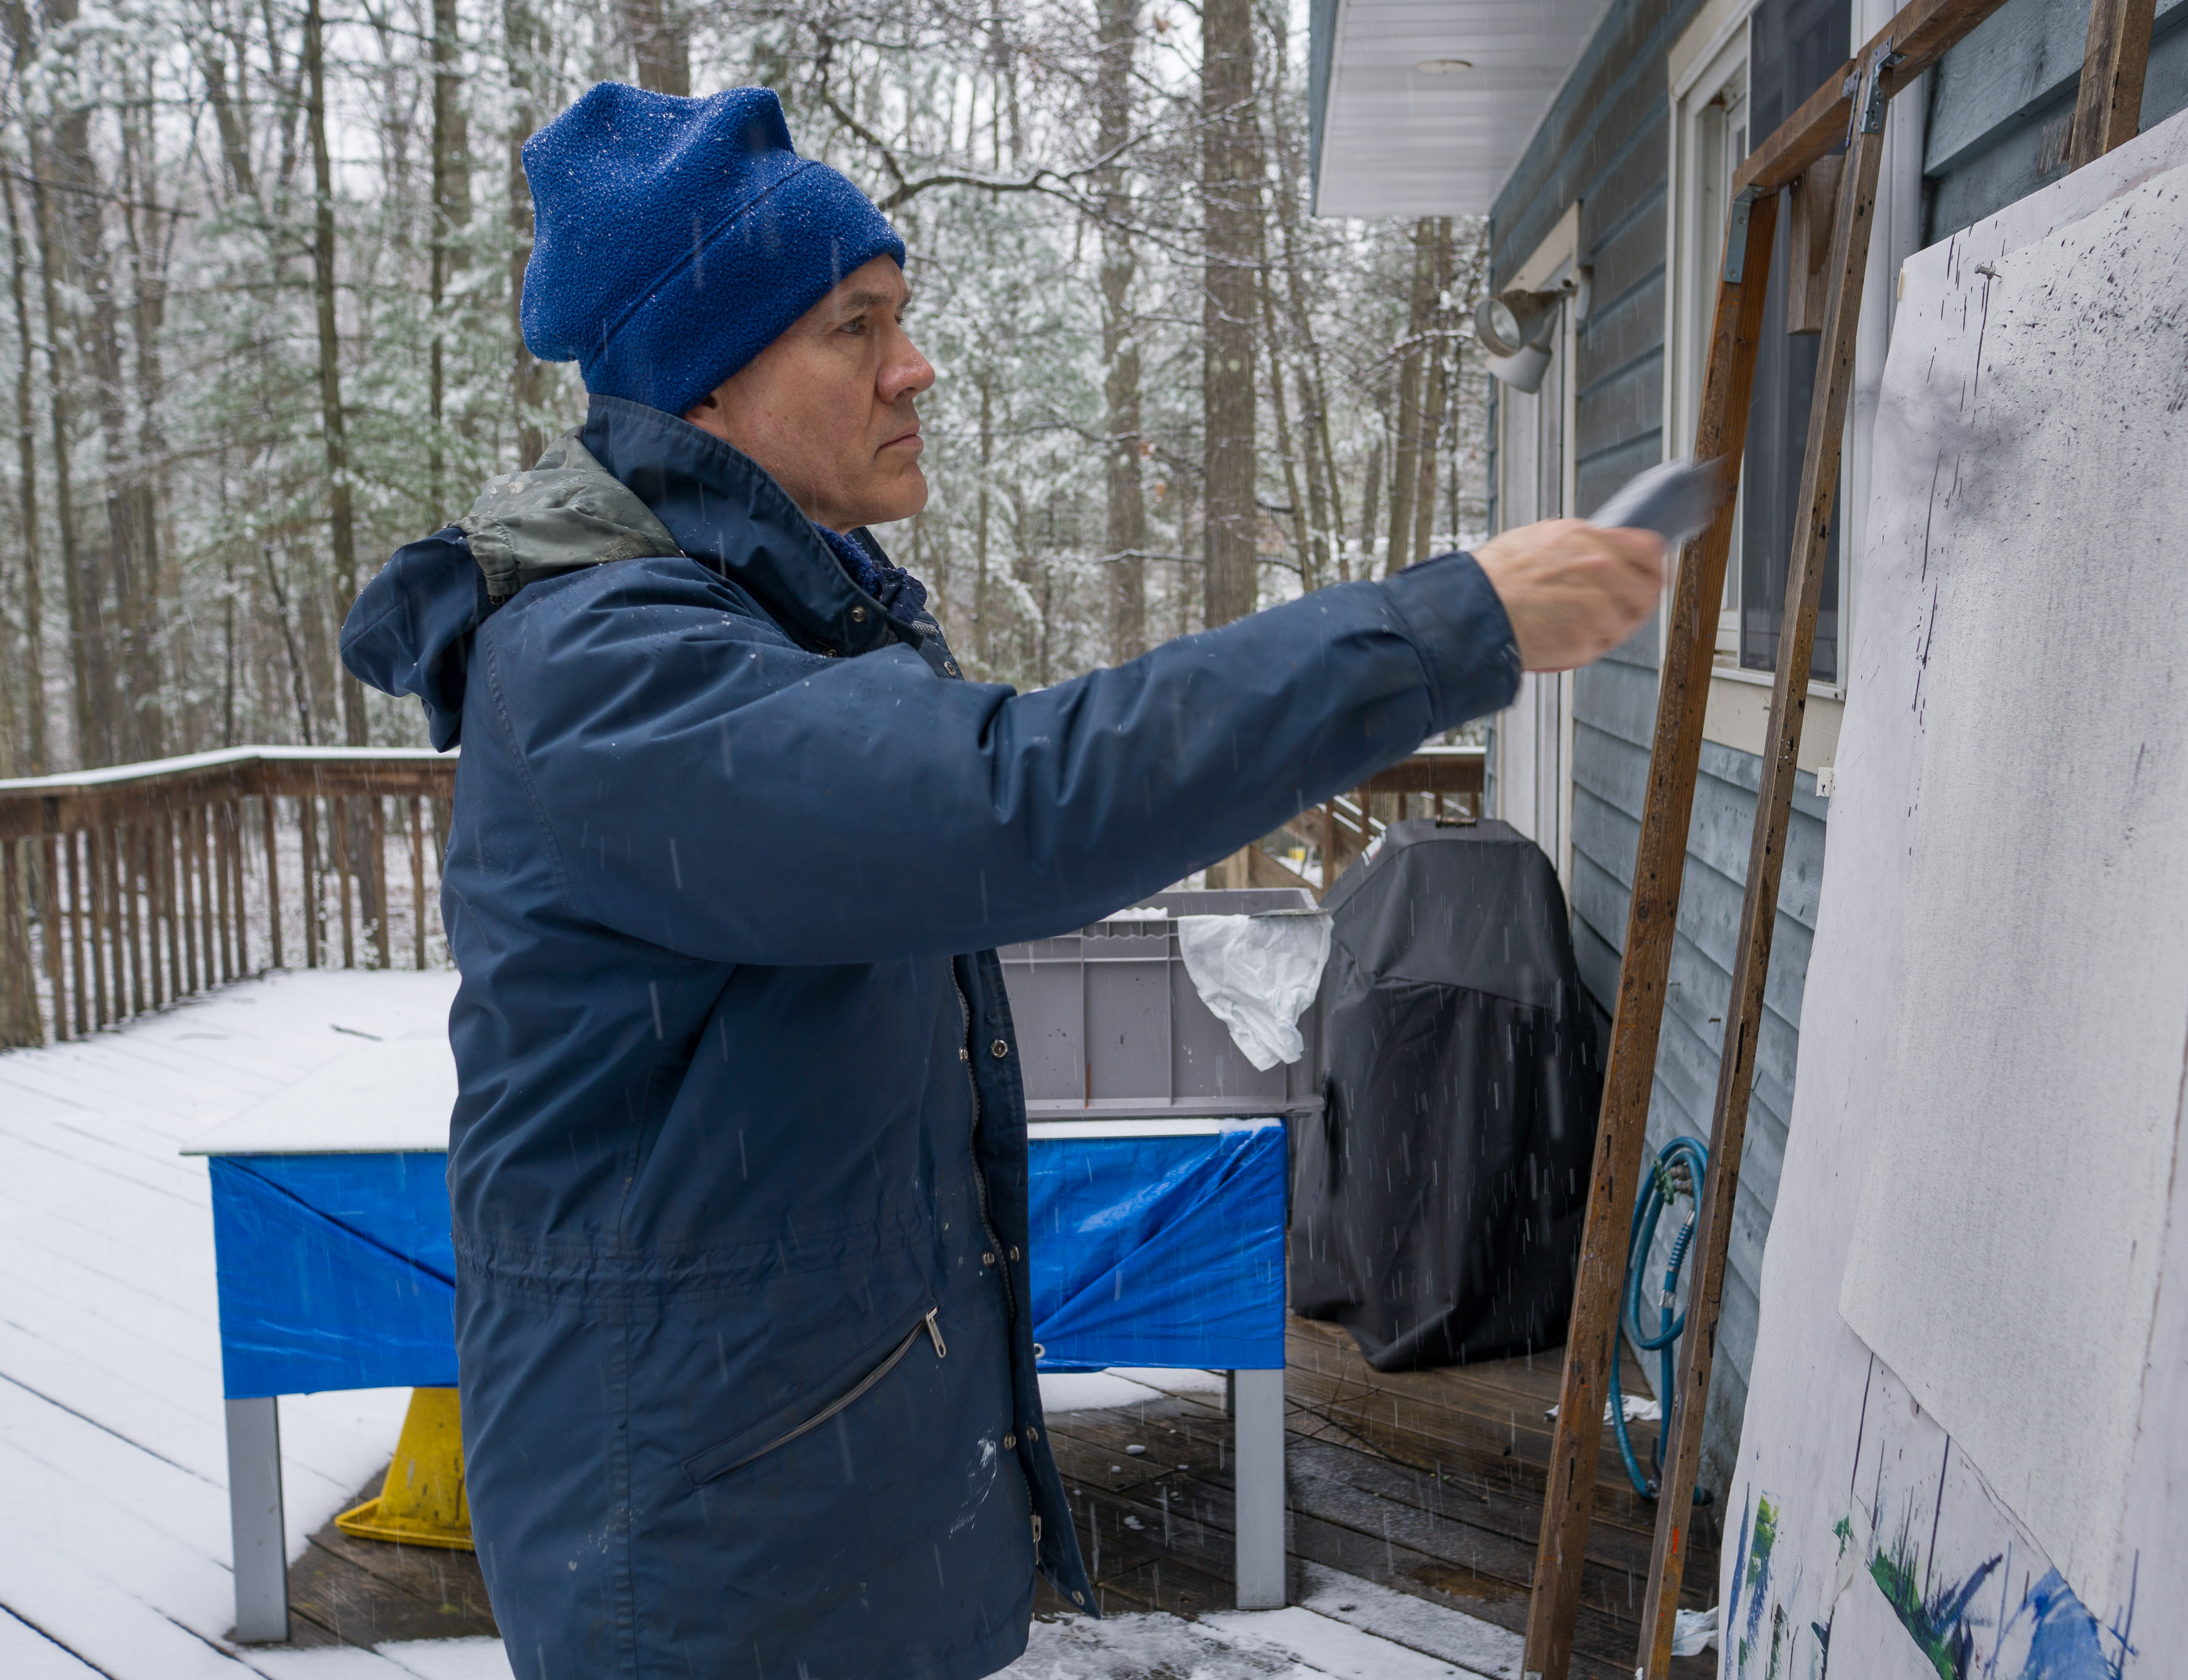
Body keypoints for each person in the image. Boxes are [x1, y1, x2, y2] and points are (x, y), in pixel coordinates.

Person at [341, 80, 1666, 1680]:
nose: (916, 366)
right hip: (713, 1576)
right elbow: (1016, 800)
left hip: (805, 1518)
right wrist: (1453, 625)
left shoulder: (754, 622)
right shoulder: (619, 676)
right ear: (707, 378)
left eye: (899, 315)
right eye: (857, 326)